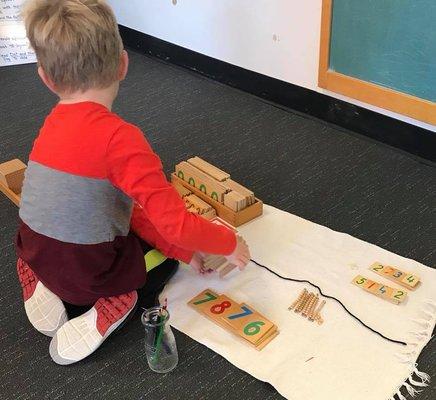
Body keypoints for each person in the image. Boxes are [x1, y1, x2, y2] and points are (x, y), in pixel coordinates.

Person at [16, 0, 250, 365]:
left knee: (92, 222)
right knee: (163, 265)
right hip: (90, 275)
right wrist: (228, 242)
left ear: (45, 78)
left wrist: (184, 247)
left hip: (34, 252)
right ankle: (114, 301)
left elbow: (114, 209)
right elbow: (175, 224)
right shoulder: (121, 140)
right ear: (123, 63)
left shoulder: (50, 123)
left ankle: (40, 279)